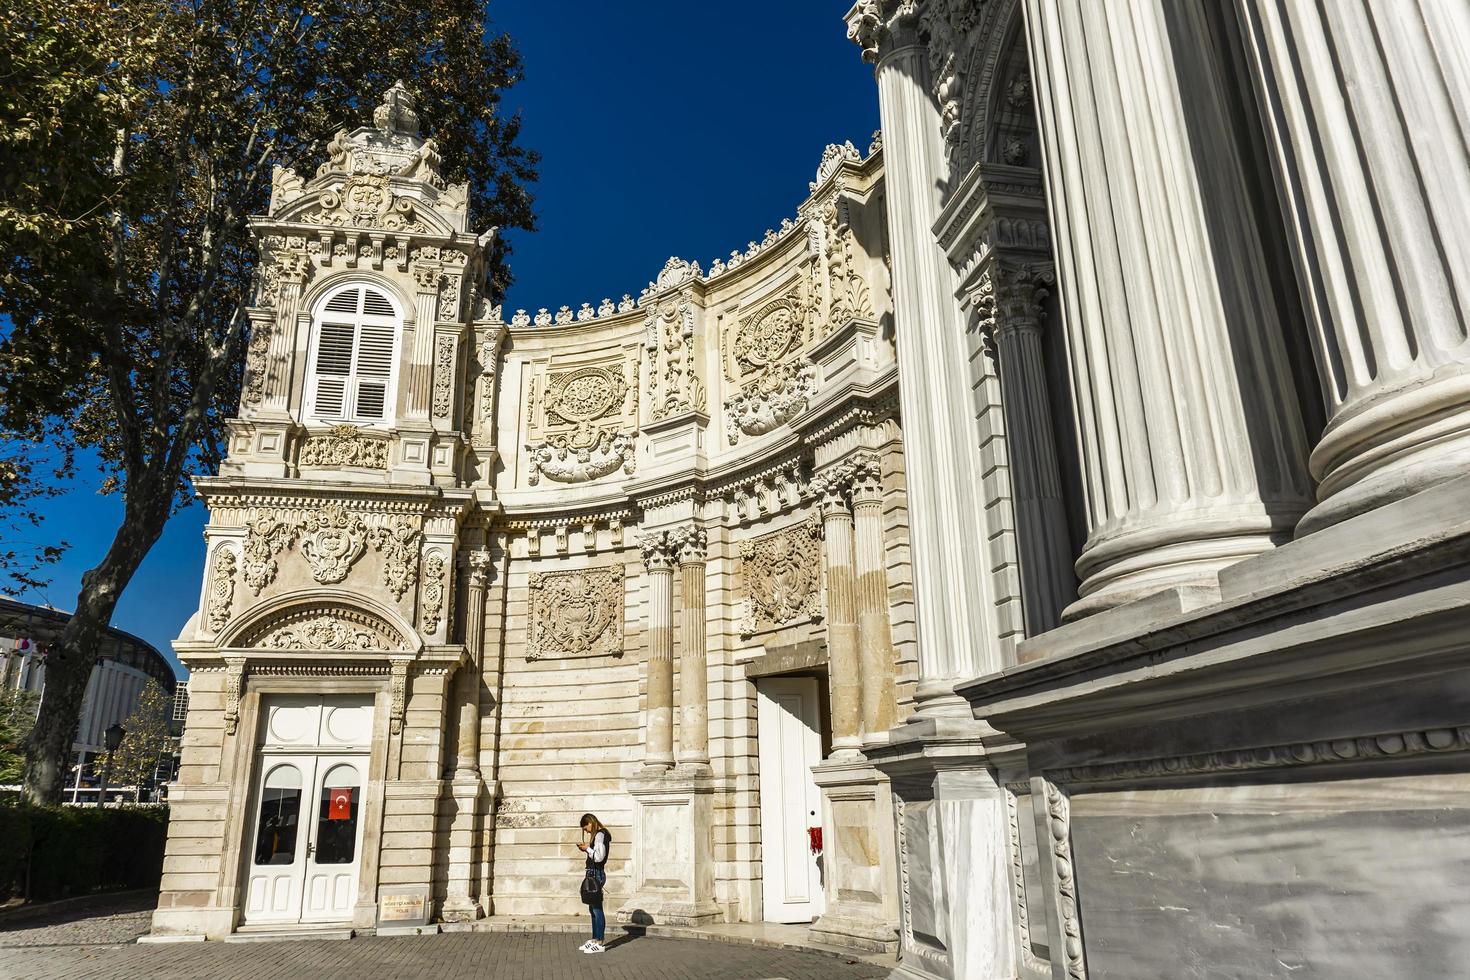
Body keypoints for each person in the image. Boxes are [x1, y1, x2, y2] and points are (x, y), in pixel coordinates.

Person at [576, 812, 611, 953]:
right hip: (592, 873)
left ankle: (600, 942)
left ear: (590, 823)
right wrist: (587, 849)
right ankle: (595, 939)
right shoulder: (597, 835)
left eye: (586, 827)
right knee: (592, 908)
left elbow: (599, 857)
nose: (585, 830)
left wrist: (587, 849)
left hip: (597, 874)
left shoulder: (600, 835)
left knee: (597, 909)